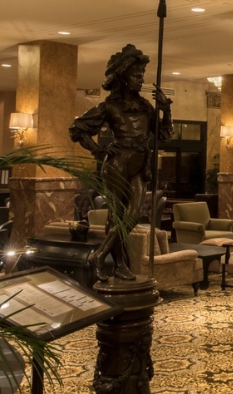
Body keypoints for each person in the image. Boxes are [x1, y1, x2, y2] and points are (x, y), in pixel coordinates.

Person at [69, 43, 172, 285]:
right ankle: (119, 266)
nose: (141, 80)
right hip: (117, 164)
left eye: (142, 75)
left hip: (140, 164)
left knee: (134, 214)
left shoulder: (145, 106)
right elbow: (77, 129)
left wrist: (166, 109)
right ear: (123, 77)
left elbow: (163, 135)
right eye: (136, 75)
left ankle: (99, 255)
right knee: (116, 218)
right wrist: (98, 150)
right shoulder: (110, 106)